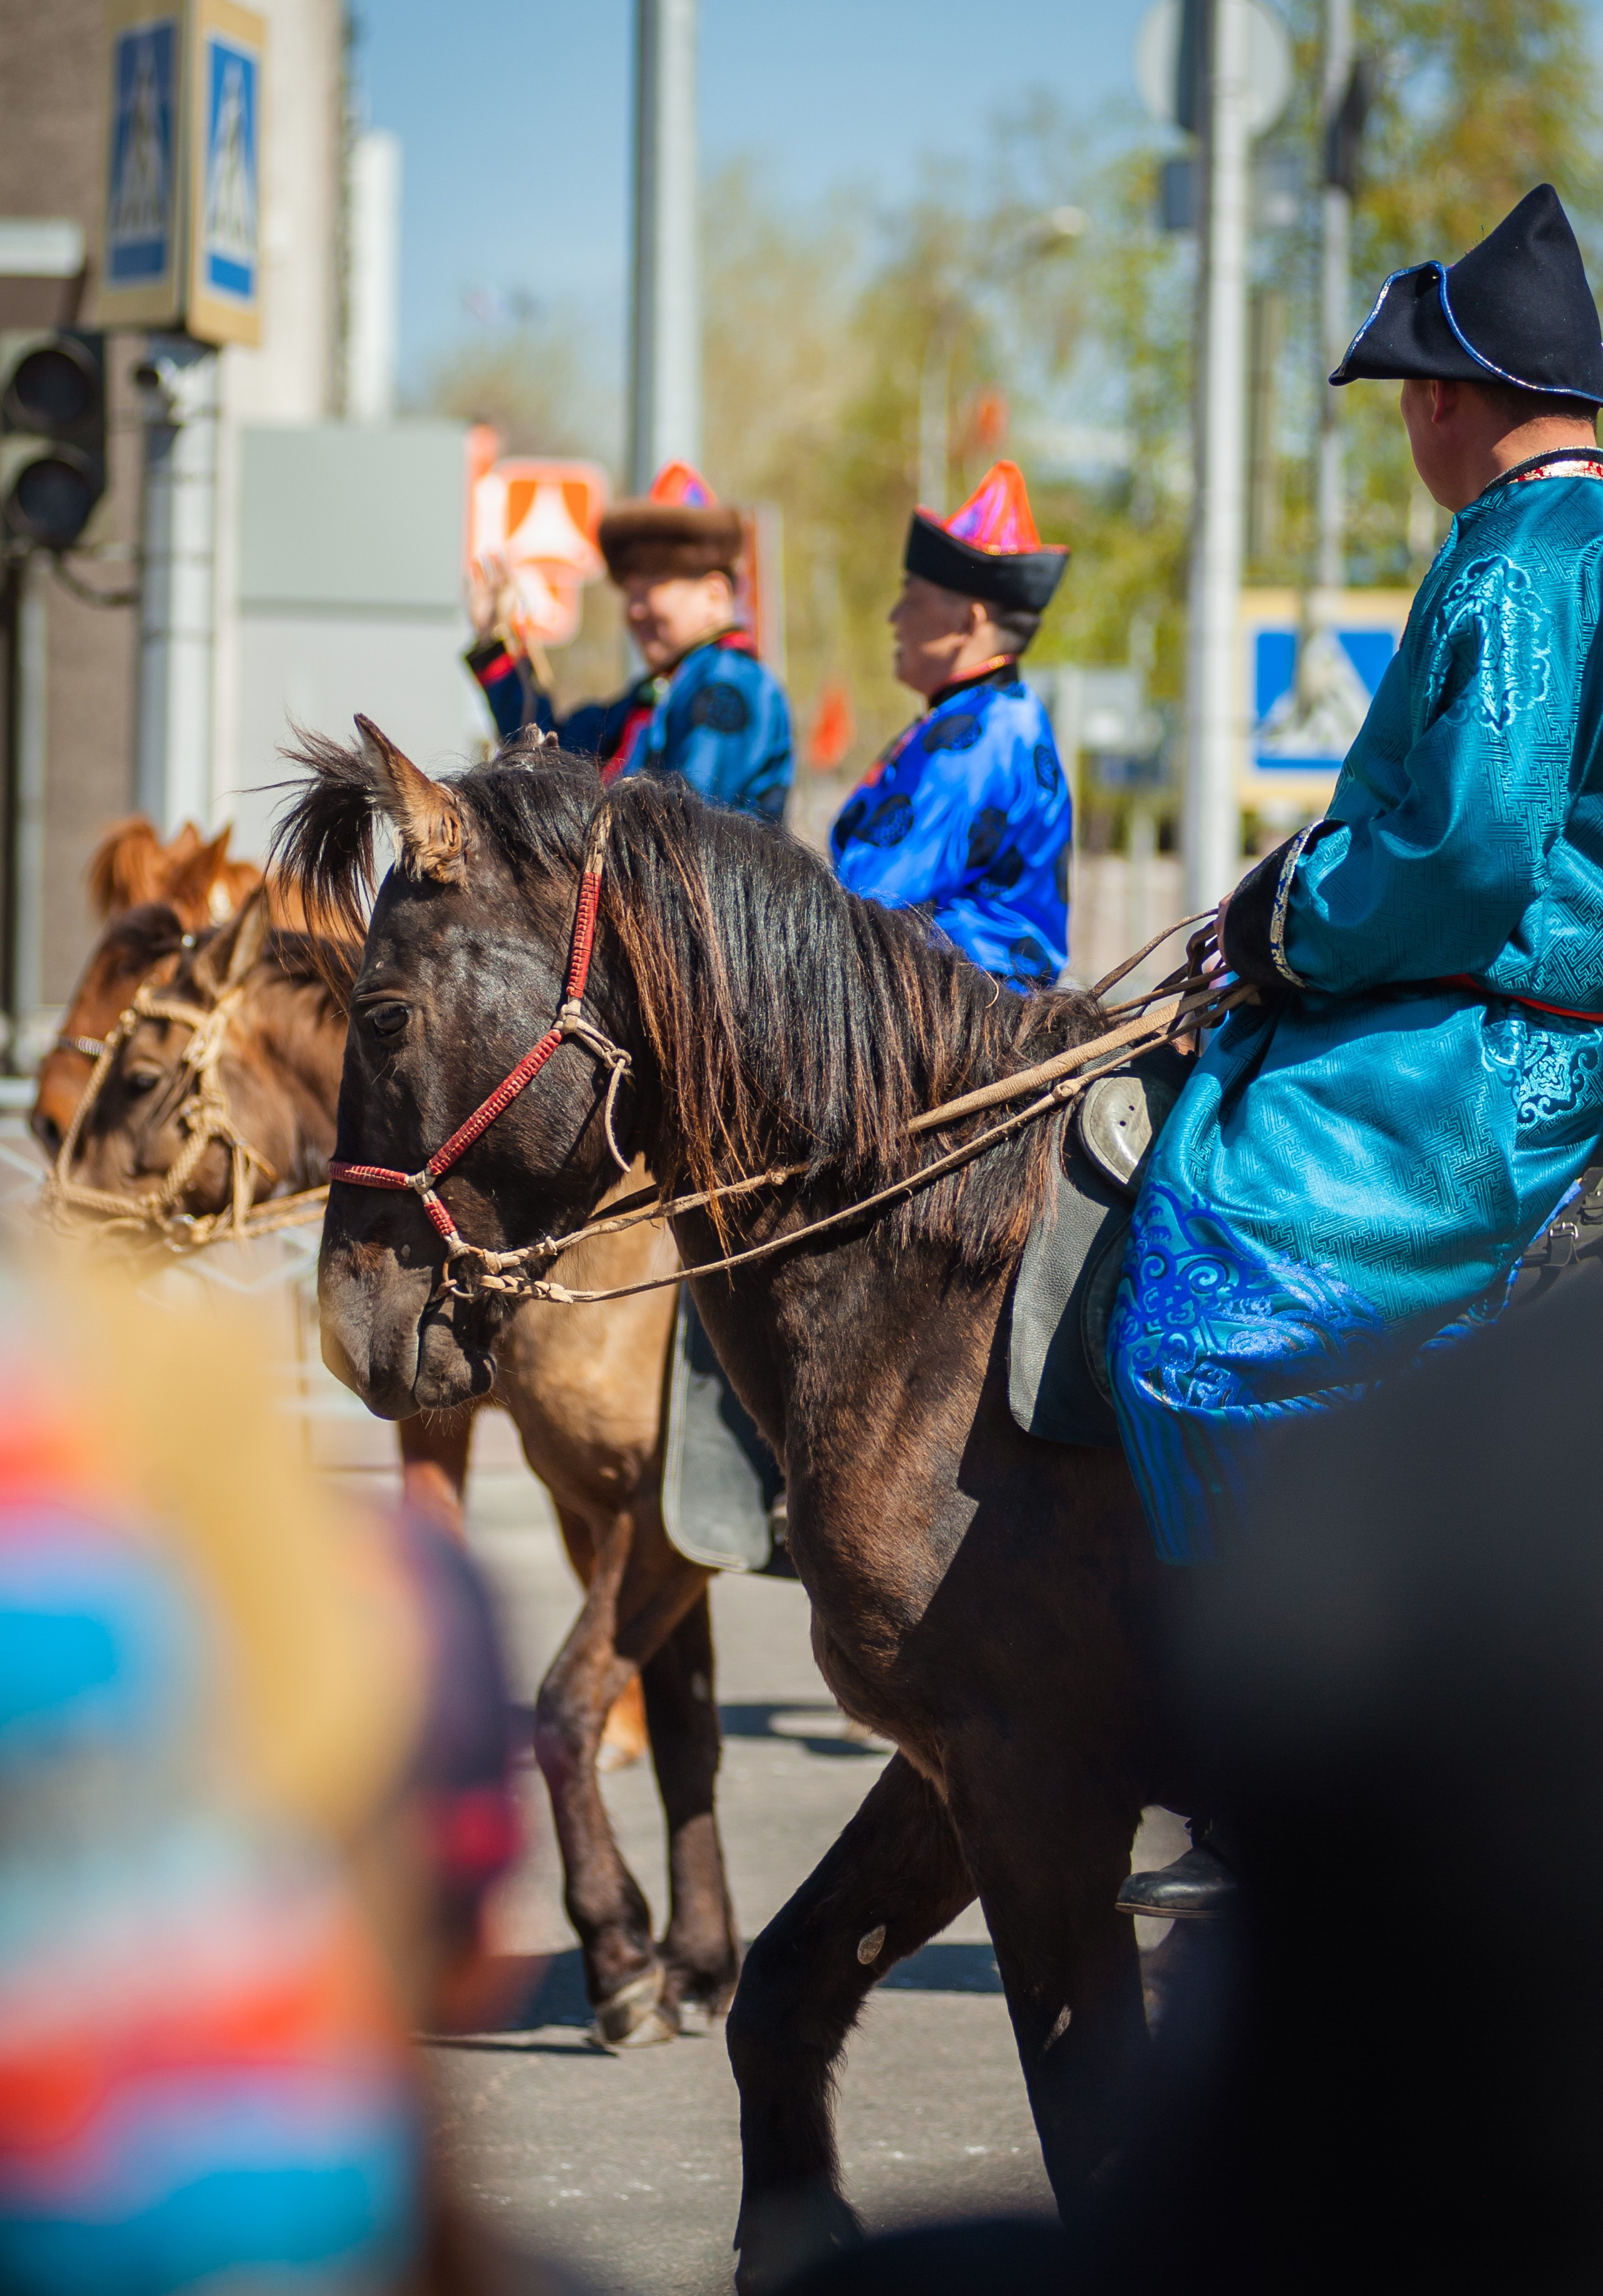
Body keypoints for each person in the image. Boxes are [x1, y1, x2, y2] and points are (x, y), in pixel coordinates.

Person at [1111, 182, 1603, 1918]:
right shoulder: (1555, 541)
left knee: (1201, 1291)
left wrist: (1288, 930)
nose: (1407, 426)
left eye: (1408, 397)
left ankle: (1280, 1772)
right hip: (1489, 1013)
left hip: (1491, 1051)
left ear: (1449, 399)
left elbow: (1464, 851)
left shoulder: (1528, 556)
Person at [829, 460, 1072, 993]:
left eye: (911, 598)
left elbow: (873, 900)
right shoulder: (992, 715)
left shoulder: (983, 735)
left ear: (968, 621)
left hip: (968, 1009)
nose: (895, 618)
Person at [465, 459, 793, 821]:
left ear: (714, 595)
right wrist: (496, 642)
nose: (634, 611)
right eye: (630, 593)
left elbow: (687, 820)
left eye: (651, 588)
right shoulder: (650, 697)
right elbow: (550, 763)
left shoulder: (730, 684)